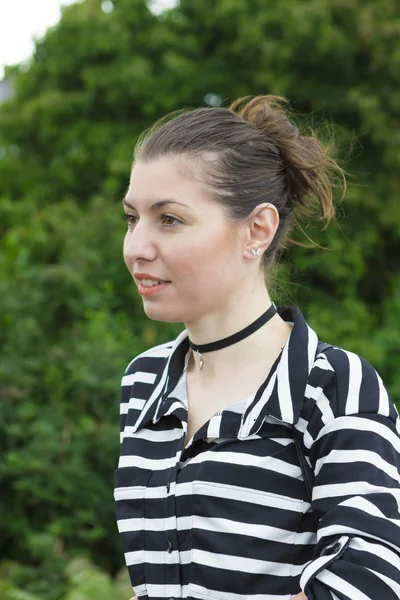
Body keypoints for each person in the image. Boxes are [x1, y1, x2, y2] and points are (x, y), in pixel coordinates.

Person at [115, 95, 400, 600]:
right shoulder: (143, 383)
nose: (136, 246)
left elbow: (368, 582)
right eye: (132, 218)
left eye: (170, 220)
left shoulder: (334, 387)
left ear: (257, 229)